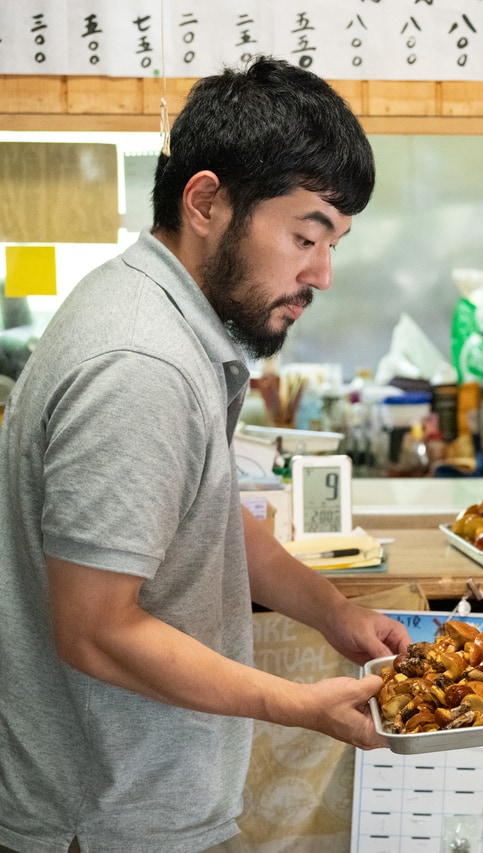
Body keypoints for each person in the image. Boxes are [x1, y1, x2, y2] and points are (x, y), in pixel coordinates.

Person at [0, 57, 410, 853]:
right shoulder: (140, 364)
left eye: (333, 242)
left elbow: (208, 512)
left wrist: (334, 612)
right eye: (304, 235)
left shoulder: (166, 318)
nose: (321, 273)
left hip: (142, 807)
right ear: (206, 202)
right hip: (106, 822)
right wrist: (296, 702)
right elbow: (95, 629)